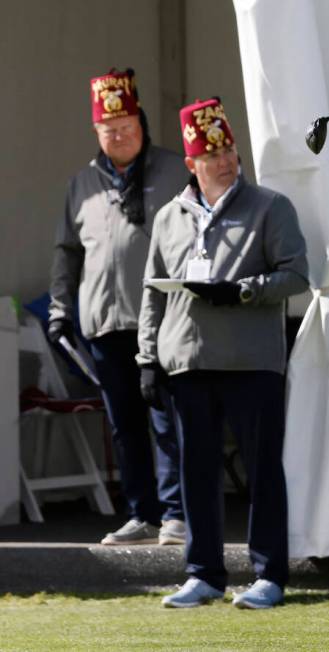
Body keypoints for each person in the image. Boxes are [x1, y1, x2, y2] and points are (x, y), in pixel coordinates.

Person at [138, 97, 309, 609]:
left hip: (252, 361)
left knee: (262, 470)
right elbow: (151, 292)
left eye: (230, 151)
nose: (226, 162)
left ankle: (269, 573)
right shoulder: (170, 216)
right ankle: (204, 573)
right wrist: (147, 358)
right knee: (197, 472)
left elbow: (296, 275)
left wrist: (242, 290)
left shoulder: (269, 207)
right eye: (213, 156)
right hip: (188, 363)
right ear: (192, 164)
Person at [49, 68, 188, 546]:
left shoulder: (176, 170)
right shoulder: (81, 184)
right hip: (104, 323)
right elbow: (68, 251)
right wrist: (59, 309)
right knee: (124, 426)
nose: (121, 135)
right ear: (97, 133)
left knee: (167, 419)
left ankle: (176, 514)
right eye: (111, 130)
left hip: (165, 320)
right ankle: (142, 513)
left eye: (128, 126)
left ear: (142, 124)